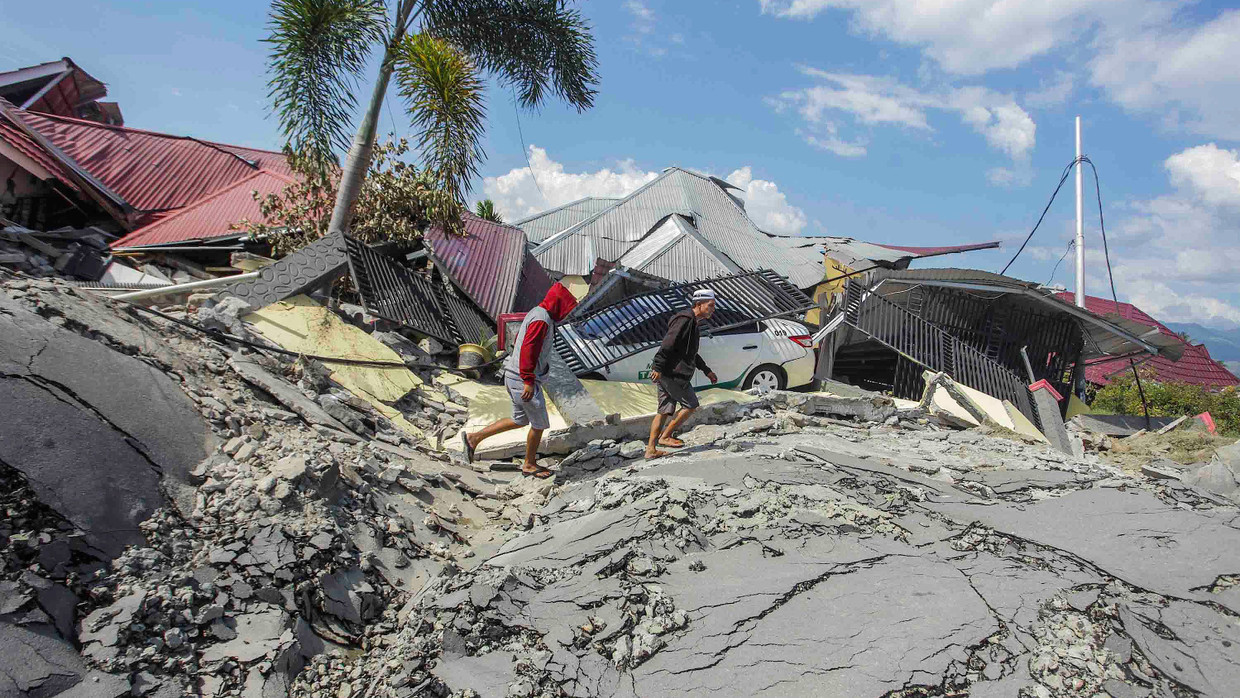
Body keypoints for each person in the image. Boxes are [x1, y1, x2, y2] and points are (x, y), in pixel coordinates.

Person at [461, 282, 577, 478]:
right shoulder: (542, 320)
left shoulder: (537, 312)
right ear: (557, 304)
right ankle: (529, 464)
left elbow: (521, 344)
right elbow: (528, 351)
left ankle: (474, 438)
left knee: (519, 420)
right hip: (522, 379)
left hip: (514, 375)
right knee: (539, 424)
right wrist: (528, 380)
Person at [645, 288, 718, 460]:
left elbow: (690, 353)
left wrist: (706, 370)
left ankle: (650, 449)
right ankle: (665, 436)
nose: (712, 309)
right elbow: (668, 343)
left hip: (667, 373)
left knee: (663, 411)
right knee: (691, 404)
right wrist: (657, 366)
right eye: (710, 305)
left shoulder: (693, 323)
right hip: (673, 374)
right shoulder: (685, 321)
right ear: (699, 304)